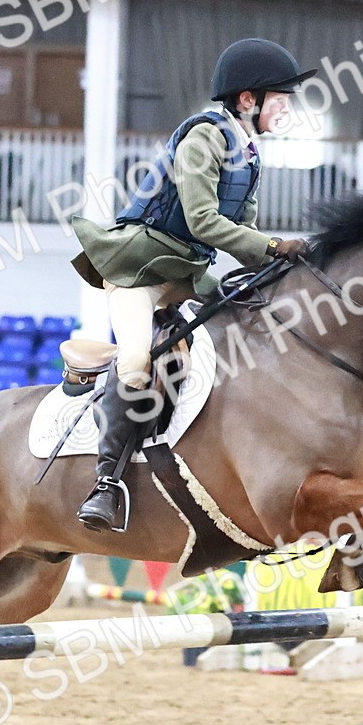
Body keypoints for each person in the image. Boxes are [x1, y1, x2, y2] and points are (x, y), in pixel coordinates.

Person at [68, 38, 316, 533]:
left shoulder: (250, 154)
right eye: (280, 97)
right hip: (140, 271)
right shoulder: (205, 137)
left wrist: (270, 263)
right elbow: (203, 221)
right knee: (138, 361)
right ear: (248, 99)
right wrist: (271, 246)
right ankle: (106, 484)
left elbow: (239, 233)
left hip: (188, 276)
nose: (287, 106)